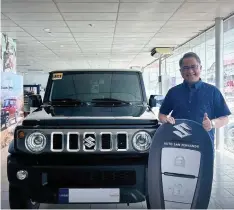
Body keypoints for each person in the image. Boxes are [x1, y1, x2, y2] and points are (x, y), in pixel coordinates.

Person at [158, 52, 232, 144]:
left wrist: (212, 123)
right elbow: (162, 115)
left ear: (200, 68)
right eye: (186, 68)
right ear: (181, 71)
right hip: (177, 143)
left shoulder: (213, 91)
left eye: (194, 67)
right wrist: (166, 119)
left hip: (203, 145)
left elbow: (225, 118)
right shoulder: (173, 92)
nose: (190, 71)